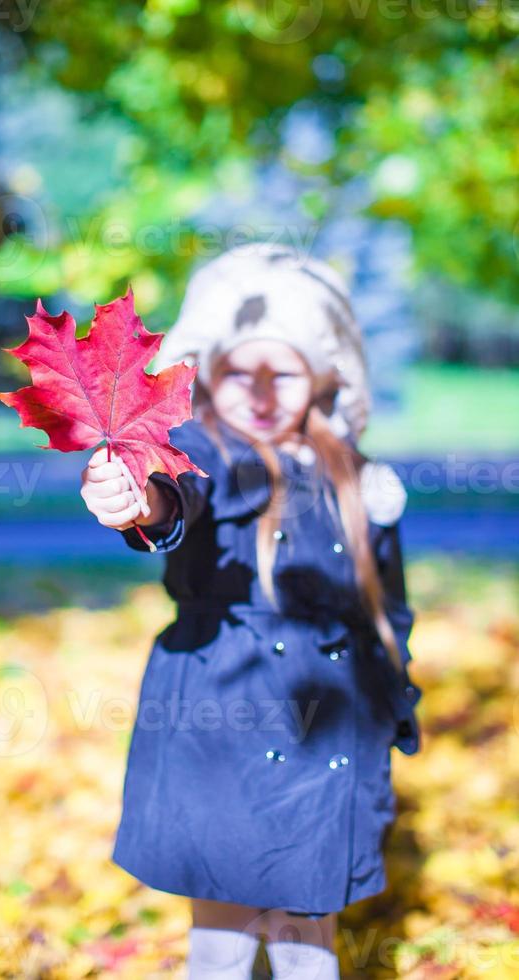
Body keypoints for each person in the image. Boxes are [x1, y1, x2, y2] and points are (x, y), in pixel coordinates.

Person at [80, 242, 423, 979]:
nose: (261, 393)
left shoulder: (356, 476)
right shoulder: (209, 452)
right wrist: (140, 501)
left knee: (309, 939)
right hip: (222, 726)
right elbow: (176, 497)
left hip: (329, 732)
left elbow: (387, 608)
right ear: (208, 372)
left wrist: (398, 702)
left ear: (322, 374)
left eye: (284, 372)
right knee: (223, 943)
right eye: (240, 372)